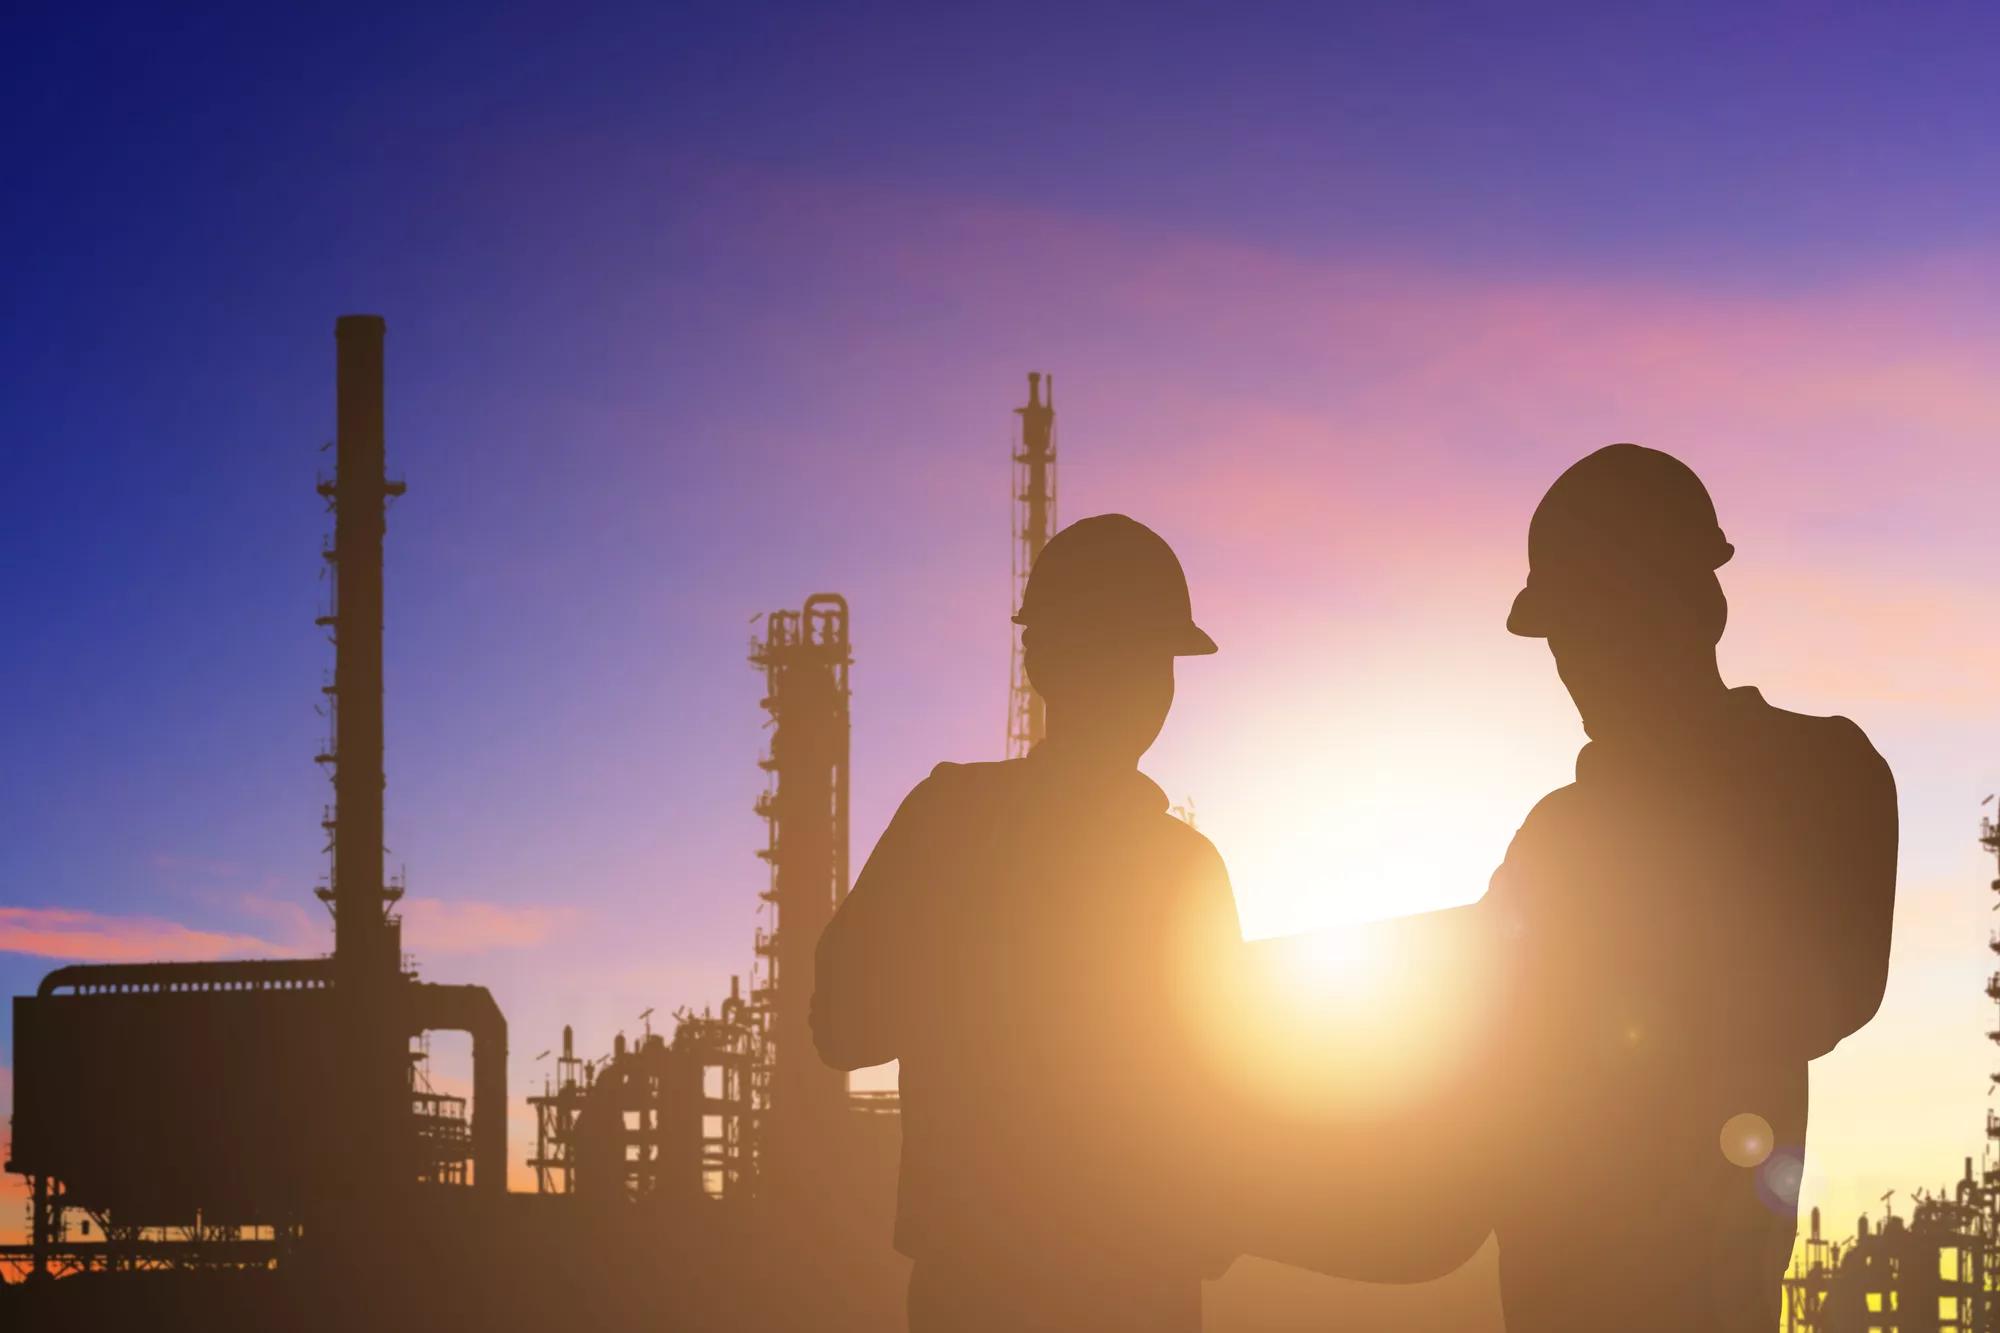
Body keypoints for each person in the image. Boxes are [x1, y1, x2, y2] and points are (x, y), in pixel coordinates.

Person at [1479, 444, 1898, 1330]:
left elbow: (1830, 992)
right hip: (1554, 1289)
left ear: (1693, 609)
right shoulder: (1559, 833)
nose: (1574, 664)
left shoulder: (1823, 773)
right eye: (1566, 638)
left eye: (1596, 626)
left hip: (1696, 1291)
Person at [811, 513, 1242, 1333]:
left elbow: (841, 1023)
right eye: (1133, 655)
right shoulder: (1182, 869)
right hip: (1123, 1284)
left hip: (988, 1280)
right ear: (1048, 662)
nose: (1147, 683)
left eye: (1154, 659)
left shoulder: (951, 823)